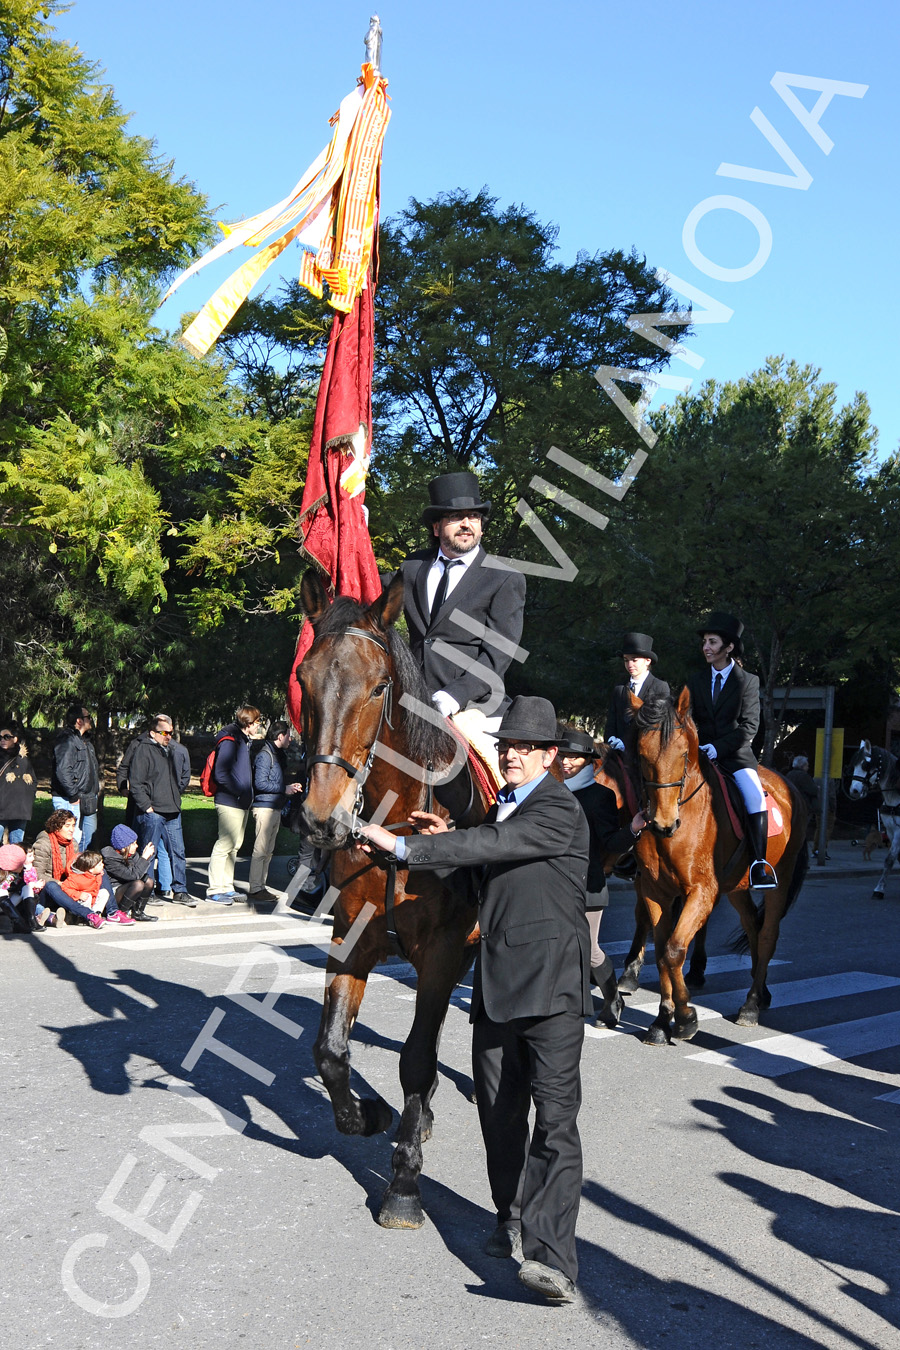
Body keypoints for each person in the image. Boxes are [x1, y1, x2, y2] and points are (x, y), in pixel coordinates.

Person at [359, 696, 590, 1304]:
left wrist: (411, 847)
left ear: (550, 757)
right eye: (507, 744)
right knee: (499, 1115)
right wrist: (454, 836)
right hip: (495, 990)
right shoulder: (502, 811)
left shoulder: (559, 810)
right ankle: (508, 1214)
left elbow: (493, 846)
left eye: (525, 747)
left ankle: (552, 1259)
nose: (511, 753)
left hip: (552, 991)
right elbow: (483, 866)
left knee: (556, 1123)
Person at [396, 471, 526, 775]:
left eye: (474, 517)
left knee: (498, 787)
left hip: (475, 708)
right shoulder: (412, 567)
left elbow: (497, 655)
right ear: (437, 526)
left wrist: (454, 695)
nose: (467, 523)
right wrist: (353, 532)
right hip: (412, 703)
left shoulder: (504, 577)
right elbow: (366, 589)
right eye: (456, 517)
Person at [557, 725, 647, 1028]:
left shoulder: (601, 796)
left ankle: (612, 998)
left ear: (588, 761)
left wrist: (632, 829)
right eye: (563, 756)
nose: (566, 762)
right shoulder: (549, 791)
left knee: (590, 950)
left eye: (574, 757)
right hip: (551, 883)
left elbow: (610, 842)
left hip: (587, 884)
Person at [686, 611, 777, 889]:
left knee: (754, 797)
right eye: (704, 642)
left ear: (729, 647)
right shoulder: (695, 680)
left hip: (735, 757)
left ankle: (759, 864)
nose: (706, 648)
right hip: (700, 754)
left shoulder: (748, 681)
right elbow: (686, 718)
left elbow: (749, 727)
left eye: (712, 642)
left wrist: (718, 747)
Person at [126, 713, 194, 906]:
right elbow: (136, 783)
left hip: (172, 810)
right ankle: (147, 891)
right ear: (152, 733)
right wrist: (147, 807)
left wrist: (174, 798)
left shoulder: (173, 750)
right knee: (150, 852)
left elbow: (182, 778)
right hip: (153, 812)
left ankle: (180, 890)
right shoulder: (143, 750)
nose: (168, 736)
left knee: (178, 851)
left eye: (170, 732)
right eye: (163, 732)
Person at [206, 705, 261, 905]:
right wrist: (239, 792)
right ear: (248, 723)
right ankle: (214, 890)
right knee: (224, 845)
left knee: (234, 846)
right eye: (257, 723)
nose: (259, 726)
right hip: (230, 801)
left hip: (241, 802)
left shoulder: (243, 740)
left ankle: (226, 886)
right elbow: (221, 774)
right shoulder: (230, 740)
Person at [248, 720, 302, 902]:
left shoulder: (276, 754)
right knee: (261, 849)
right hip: (265, 808)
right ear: (280, 736)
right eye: (288, 735)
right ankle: (256, 888)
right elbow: (260, 783)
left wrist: (286, 787)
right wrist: (283, 789)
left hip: (274, 807)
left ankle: (260, 887)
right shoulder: (265, 755)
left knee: (268, 851)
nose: (291, 738)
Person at [605, 633, 670, 750]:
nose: (629, 664)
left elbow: (658, 726)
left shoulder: (660, 687)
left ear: (647, 661)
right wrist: (612, 739)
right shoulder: (619, 689)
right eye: (626, 660)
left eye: (634, 660)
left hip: (645, 753)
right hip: (618, 755)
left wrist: (627, 744)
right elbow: (611, 722)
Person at [50, 703, 100, 847]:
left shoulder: (86, 741)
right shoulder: (66, 739)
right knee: (70, 843)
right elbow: (63, 770)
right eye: (88, 717)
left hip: (88, 798)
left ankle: (80, 869)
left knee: (87, 842)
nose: (91, 720)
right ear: (79, 721)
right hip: (69, 799)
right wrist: (73, 796)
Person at [101, 824, 158, 922]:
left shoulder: (132, 855)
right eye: (134, 843)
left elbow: (138, 873)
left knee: (149, 881)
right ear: (124, 846)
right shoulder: (110, 858)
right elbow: (132, 876)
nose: (137, 846)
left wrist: (145, 858)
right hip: (113, 891)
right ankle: (119, 914)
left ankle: (138, 912)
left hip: (126, 886)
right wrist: (144, 858)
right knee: (138, 884)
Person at [0, 844, 54, 931]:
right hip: (2, 904)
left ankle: (32, 921)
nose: (23, 866)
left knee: (26, 888)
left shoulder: (18, 875)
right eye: (21, 864)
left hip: (10, 904)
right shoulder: (3, 876)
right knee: (1, 891)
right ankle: (18, 922)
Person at [0, 721, 37, 845]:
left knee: (17, 846)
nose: (2, 740)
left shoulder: (23, 759)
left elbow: (33, 781)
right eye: (0, 737)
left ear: (15, 739)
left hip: (20, 809)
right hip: (1, 808)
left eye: (6, 737)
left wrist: (29, 799)